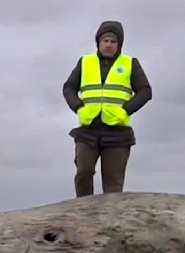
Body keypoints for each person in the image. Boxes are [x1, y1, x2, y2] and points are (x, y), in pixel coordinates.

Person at [61, 20, 152, 197]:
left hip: (118, 132)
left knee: (113, 183)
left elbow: (145, 91)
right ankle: (83, 208)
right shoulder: (85, 62)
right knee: (84, 171)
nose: (109, 45)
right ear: (98, 42)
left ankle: (111, 214)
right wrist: (78, 107)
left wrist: (126, 110)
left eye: (113, 41)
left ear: (119, 44)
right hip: (88, 129)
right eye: (105, 41)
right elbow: (68, 88)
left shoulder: (130, 63)